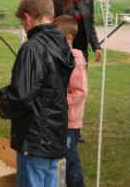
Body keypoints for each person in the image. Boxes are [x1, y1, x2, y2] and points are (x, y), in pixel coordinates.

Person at [0, 0, 75, 187]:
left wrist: (4, 107)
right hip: (54, 138)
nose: (24, 28)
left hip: (34, 140)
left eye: (22, 24)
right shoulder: (61, 44)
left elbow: (22, 97)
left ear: (28, 17)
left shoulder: (32, 47)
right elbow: (39, 84)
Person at [52, 0, 101, 143]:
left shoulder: (88, 0)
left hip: (80, 49)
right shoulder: (58, 0)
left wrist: (96, 46)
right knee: (61, 86)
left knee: (78, 88)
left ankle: (75, 129)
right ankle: (59, 124)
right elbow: (52, 24)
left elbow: (91, 25)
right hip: (62, 47)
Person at [53, 15, 88, 187]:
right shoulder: (60, 58)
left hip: (70, 120)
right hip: (59, 117)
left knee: (70, 158)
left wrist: (58, 102)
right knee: (61, 156)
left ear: (68, 38)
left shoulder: (76, 62)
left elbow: (80, 91)